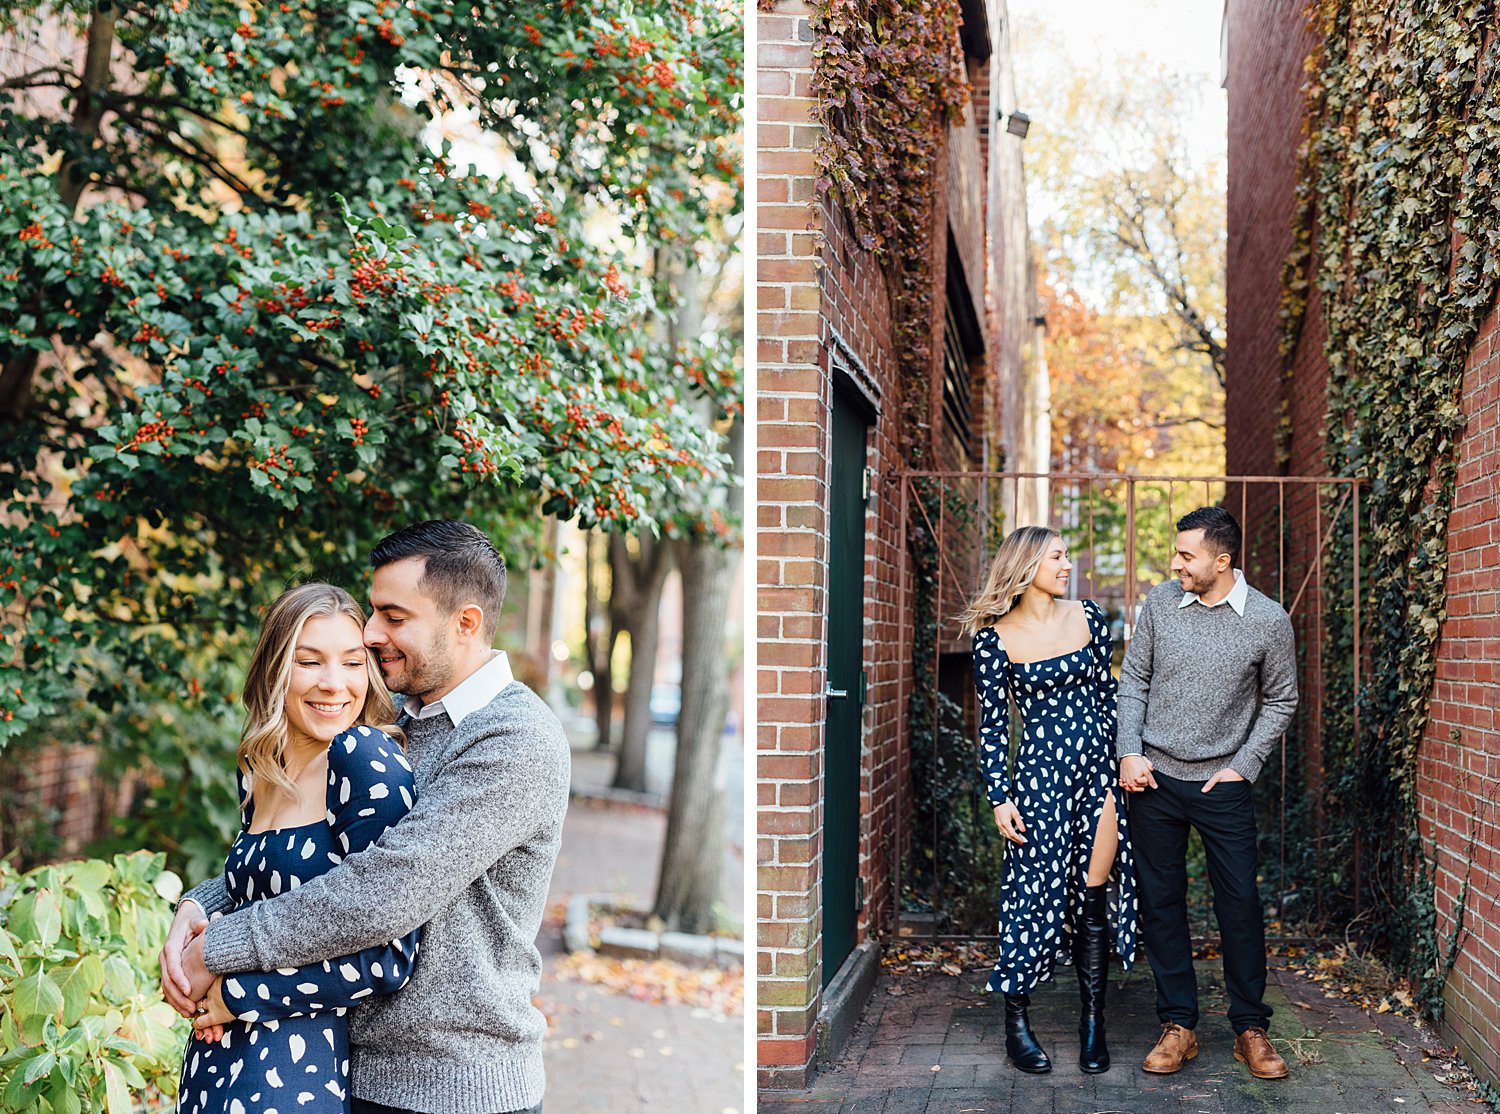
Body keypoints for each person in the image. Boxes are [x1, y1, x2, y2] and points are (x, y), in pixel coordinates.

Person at [161, 520, 571, 1114]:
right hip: (354, 1072)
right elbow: (304, 861)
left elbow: (382, 890)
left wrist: (218, 954)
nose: (373, 633)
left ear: (466, 623)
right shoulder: (396, 725)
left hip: (455, 1087)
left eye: (394, 617)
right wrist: (202, 903)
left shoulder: (514, 739)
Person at [176, 582, 420, 1113]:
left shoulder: (363, 759)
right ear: (275, 670)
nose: (335, 684)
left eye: (354, 663)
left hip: (293, 1077)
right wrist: (190, 912)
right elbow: (251, 896)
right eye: (309, 662)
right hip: (213, 1065)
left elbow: (387, 954)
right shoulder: (259, 768)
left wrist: (235, 997)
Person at [1117, 506, 1298, 1081]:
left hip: (1224, 782)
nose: (1176, 565)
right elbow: (1134, 680)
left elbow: (1281, 700)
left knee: (1239, 905)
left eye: (1187, 555)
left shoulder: (1268, 620)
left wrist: (1245, 766)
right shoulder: (1161, 605)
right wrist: (1130, 751)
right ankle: (1178, 1025)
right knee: (1161, 902)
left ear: (1223, 561)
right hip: (1156, 779)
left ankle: (1250, 1028)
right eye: (1177, 553)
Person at [959, 525, 1137, 1076]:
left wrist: (1126, 760)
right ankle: (1016, 1023)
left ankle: (1092, 1026)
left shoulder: (1088, 616)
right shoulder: (992, 639)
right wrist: (998, 798)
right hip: (1039, 780)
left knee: (1091, 897)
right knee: (1032, 898)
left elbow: (1113, 696)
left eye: (1066, 556)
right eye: (1058, 557)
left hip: (1100, 775)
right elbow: (993, 728)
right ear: (1028, 565)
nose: (1067, 565)